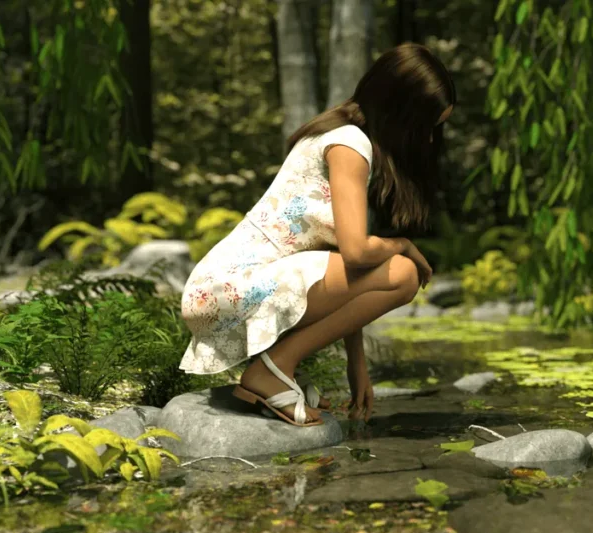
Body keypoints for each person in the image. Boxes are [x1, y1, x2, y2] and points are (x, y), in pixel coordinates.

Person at [178, 43, 455, 427]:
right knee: (403, 273)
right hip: (230, 287)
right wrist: (404, 245)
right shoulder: (349, 145)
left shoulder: (341, 135)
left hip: (225, 288)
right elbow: (357, 254)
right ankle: (273, 369)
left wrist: (357, 365)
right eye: (427, 126)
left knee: (390, 268)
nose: (428, 140)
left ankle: (279, 370)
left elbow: (350, 274)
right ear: (400, 112)